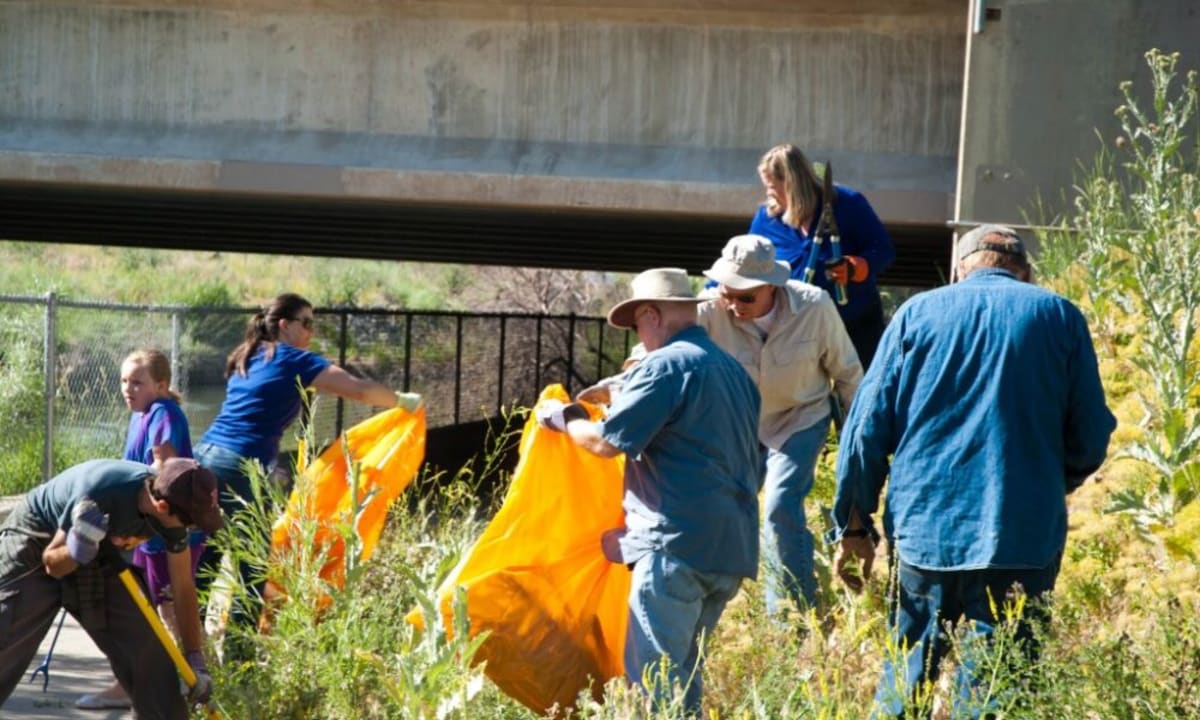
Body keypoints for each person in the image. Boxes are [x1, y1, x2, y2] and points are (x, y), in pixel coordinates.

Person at [830, 225, 1116, 716]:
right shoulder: (1059, 316)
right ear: (1025, 272)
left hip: (926, 533)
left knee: (906, 681)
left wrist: (854, 522)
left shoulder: (917, 314)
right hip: (1023, 536)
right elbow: (1090, 437)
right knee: (996, 691)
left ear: (961, 269)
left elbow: (865, 431)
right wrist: (1047, 480)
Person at [536, 268, 761, 717]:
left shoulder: (665, 365)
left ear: (652, 315)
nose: (639, 336)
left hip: (674, 548)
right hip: (728, 549)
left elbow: (605, 443)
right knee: (683, 681)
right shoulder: (734, 372)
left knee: (654, 685)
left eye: (638, 325)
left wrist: (567, 416)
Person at [194, 293, 399, 632]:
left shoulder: (249, 354)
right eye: (306, 323)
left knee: (211, 553)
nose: (311, 332)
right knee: (252, 564)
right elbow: (360, 390)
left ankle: (187, 650)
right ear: (285, 325)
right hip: (241, 464)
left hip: (206, 457)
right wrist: (401, 401)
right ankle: (239, 654)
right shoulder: (293, 359)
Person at [698, 234, 861, 616]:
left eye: (746, 298)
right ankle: (715, 610)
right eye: (728, 293)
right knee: (723, 509)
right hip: (739, 424)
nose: (734, 304)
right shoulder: (708, 310)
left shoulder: (815, 306)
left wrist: (861, 441)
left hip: (799, 417)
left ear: (773, 287)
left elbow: (849, 373)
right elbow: (658, 354)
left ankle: (793, 619)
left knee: (779, 506)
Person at [0, 457, 223, 718]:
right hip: (37, 541)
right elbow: (53, 564)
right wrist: (78, 548)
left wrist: (195, 657)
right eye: (191, 521)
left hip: (100, 549)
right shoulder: (99, 492)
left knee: (149, 655)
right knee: (6, 633)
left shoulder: (173, 505)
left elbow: (184, 587)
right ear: (161, 506)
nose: (192, 528)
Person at [77, 349, 202, 710]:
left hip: (163, 526)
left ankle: (175, 683)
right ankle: (141, 683)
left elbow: (162, 470)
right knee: (148, 607)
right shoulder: (143, 412)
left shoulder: (162, 412)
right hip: (144, 528)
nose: (128, 389)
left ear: (161, 385)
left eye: (137, 382)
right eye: (124, 381)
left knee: (164, 609)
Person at [750, 143, 895, 369]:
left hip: (854, 325)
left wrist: (855, 268)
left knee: (858, 390)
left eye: (771, 187)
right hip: (796, 330)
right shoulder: (767, 218)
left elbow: (883, 250)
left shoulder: (847, 204)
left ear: (791, 184)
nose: (768, 194)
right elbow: (746, 264)